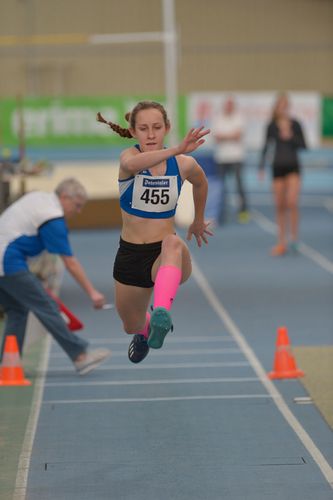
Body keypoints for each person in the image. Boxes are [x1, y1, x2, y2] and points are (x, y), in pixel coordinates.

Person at [97, 101, 213, 364]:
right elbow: (138, 162)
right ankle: (146, 329)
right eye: (144, 128)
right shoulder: (128, 159)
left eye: (157, 127)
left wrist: (198, 220)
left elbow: (201, 182)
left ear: (167, 128)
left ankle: (161, 311)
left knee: (172, 241)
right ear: (134, 131)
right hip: (130, 254)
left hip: (166, 256)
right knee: (130, 323)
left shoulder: (184, 165)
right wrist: (176, 149)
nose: (151, 134)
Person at [0, 178, 111, 374]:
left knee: (17, 310)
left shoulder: (40, 198)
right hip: (7, 262)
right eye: (77, 206)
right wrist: (92, 293)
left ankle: (8, 364)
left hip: (7, 260)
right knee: (47, 306)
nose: (78, 212)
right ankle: (80, 356)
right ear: (64, 197)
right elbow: (70, 262)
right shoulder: (52, 217)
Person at [259, 93, 307, 256]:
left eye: (285, 106)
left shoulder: (295, 124)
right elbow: (265, 146)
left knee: (292, 202)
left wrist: (291, 136)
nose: (283, 109)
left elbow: (304, 145)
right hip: (277, 168)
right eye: (280, 106)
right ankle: (281, 242)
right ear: (276, 108)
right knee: (279, 205)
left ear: (288, 107)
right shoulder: (271, 125)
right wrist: (261, 167)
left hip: (293, 167)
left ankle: (294, 238)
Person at [211, 95, 249, 225]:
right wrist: (231, 135)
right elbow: (216, 137)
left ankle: (243, 211)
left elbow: (238, 135)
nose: (228, 107)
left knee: (239, 185)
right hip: (222, 157)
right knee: (221, 187)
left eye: (230, 104)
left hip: (237, 157)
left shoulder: (239, 117)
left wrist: (224, 136)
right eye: (227, 104)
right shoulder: (218, 118)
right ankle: (221, 212)